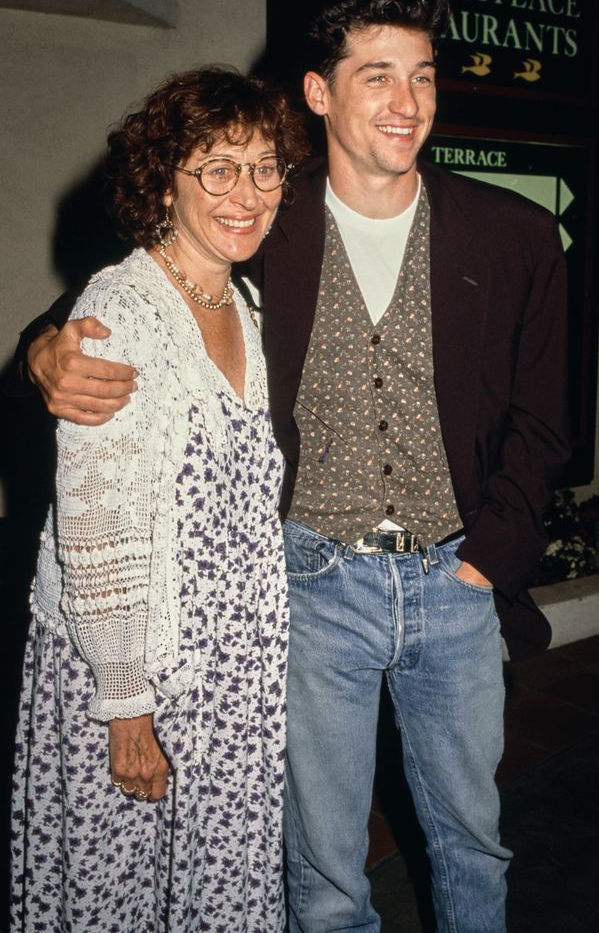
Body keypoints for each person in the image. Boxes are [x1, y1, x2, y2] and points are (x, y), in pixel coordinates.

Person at [20, 0, 570, 933]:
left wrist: (489, 559)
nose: (406, 102)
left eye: (423, 75)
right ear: (319, 92)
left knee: (472, 840)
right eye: (377, 75)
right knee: (321, 863)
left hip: (455, 579)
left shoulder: (514, 233)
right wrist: (42, 353)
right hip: (312, 585)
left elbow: (544, 416)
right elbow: (113, 299)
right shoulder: (264, 216)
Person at [9, 66, 309, 933]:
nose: (246, 193)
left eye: (264, 167)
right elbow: (95, 528)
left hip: (229, 675)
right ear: (164, 183)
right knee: (124, 902)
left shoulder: (244, 301)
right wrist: (125, 707)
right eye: (217, 168)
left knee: (216, 892)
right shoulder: (122, 308)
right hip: (141, 674)